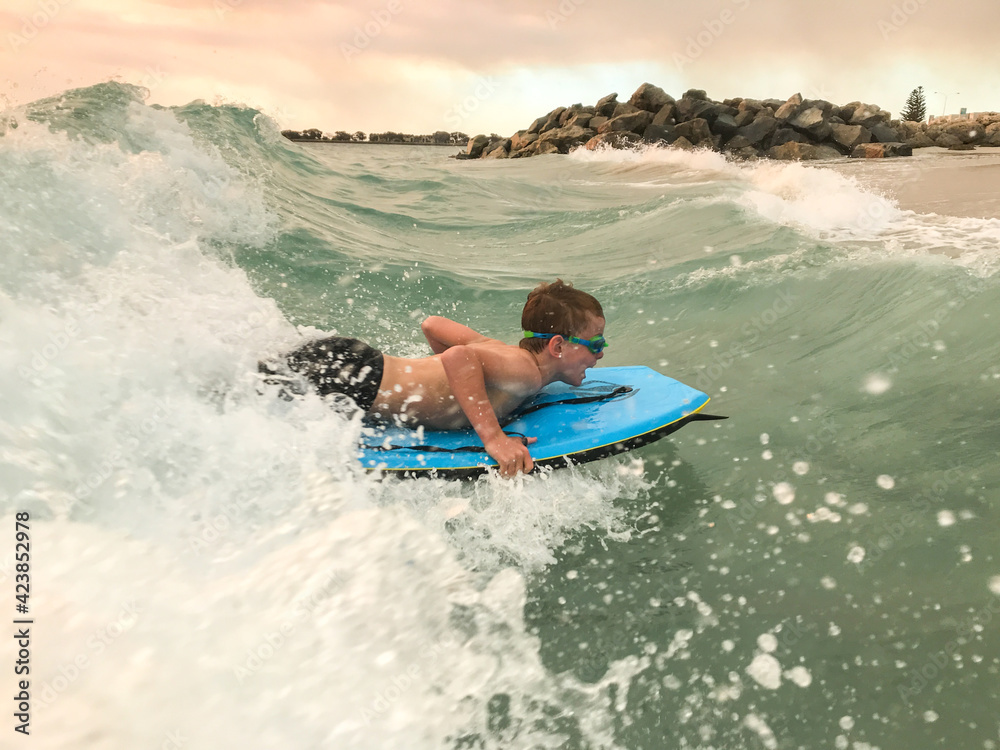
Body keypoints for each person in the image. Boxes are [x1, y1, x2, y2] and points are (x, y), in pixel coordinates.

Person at [258, 280, 607, 478]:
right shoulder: (525, 372)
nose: (602, 353)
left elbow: (432, 325)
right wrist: (494, 438)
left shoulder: (503, 353)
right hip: (353, 380)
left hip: (353, 364)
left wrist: (439, 384)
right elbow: (459, 358)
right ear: (557, 346)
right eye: (596, 344)